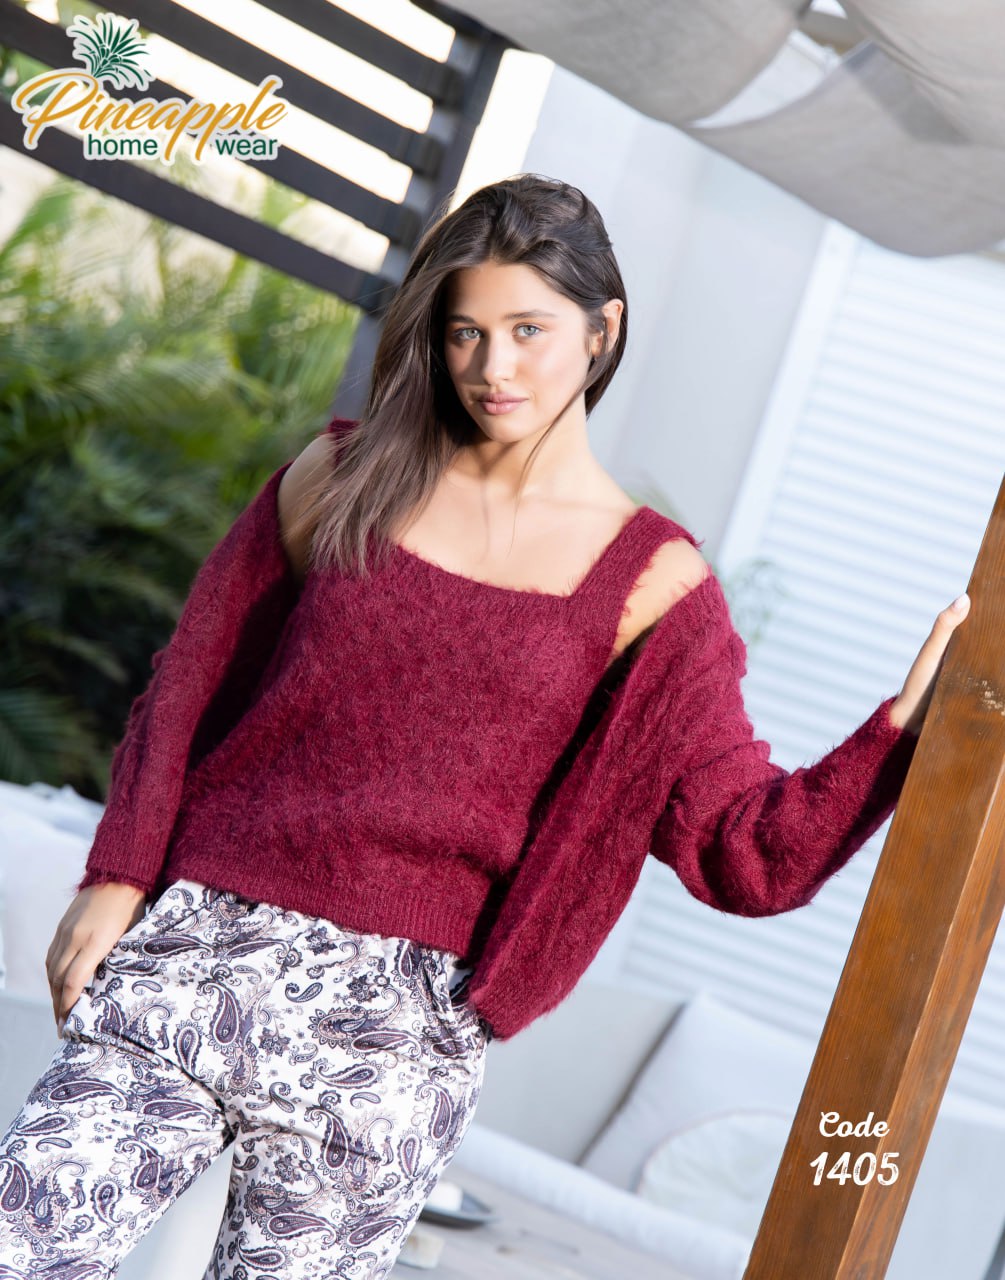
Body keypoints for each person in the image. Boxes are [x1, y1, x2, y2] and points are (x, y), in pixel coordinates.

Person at [0, 174, 968, 1280]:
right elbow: (188, 681)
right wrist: (117, 872)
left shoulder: (654, 586)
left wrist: (899, 729)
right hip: (202, 951)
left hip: (398, 1034)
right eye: (464, 330)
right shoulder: (343, 475)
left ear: (604, 332)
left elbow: (746, 850)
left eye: (527, 331)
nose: (492, 367)